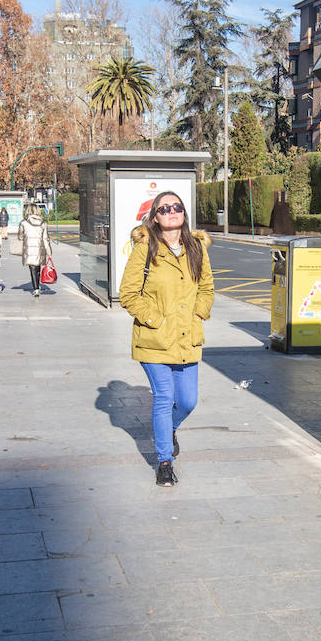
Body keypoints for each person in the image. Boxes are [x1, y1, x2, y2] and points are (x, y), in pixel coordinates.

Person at [117, 191, 214, 487]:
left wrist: (199, 314)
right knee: (163, 397)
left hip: (188, 337)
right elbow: (128, 294)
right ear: (155, 217)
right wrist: (155, 320)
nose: (172, 212)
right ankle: (164, 461)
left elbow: (207, 288)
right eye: (164, 208)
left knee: (187, 401)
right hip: (155, 340)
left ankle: (169, 428)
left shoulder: (197, 247)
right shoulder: (144, 249)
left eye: (177, 207)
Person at [19, 203, 53, 297]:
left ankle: (36, 288)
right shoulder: (43, 223)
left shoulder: (24, 223)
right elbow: (46, 239)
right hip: (39, 248)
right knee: (38, 268)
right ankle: (37, 286)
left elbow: (20, 236)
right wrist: (49, 251)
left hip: (29, 249)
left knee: (32, 268)